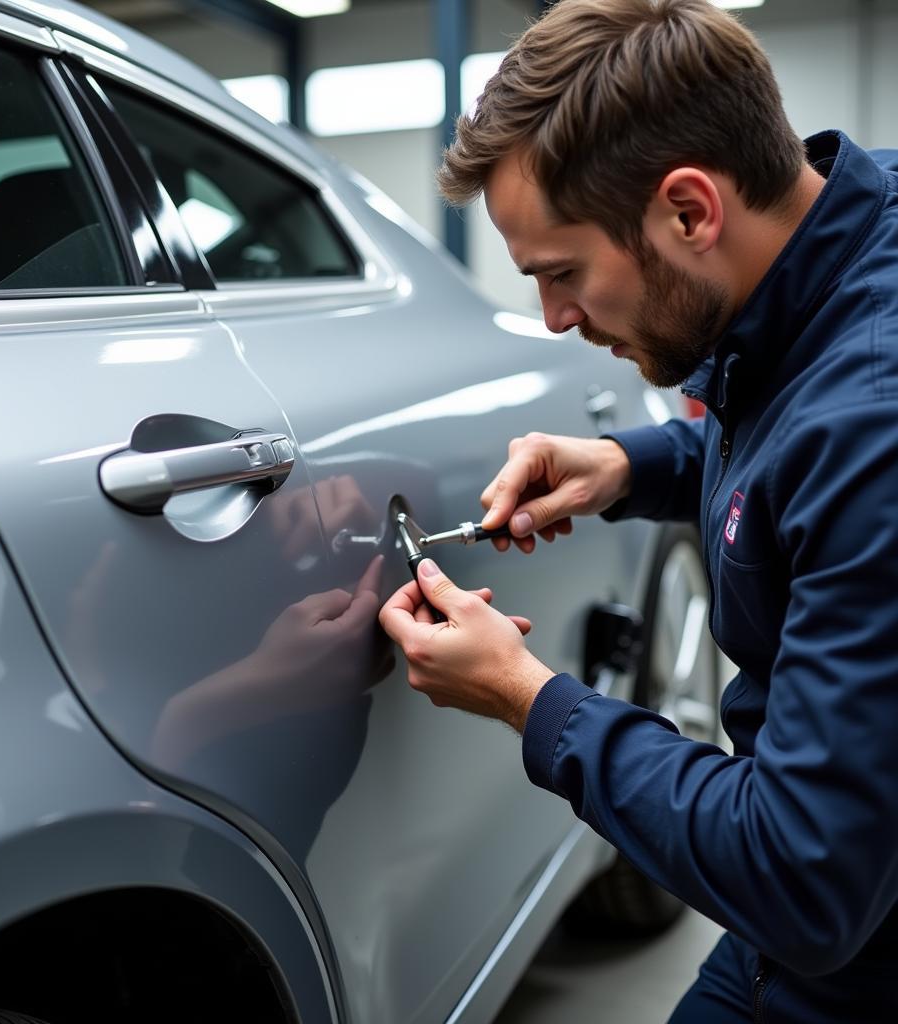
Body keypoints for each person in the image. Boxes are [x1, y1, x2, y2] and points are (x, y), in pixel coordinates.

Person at [377, 0, 898, 1020]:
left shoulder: (876, 432)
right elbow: (794, 439)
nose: (555, 320)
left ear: (690, 210)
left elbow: (801, 878)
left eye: (563, 274)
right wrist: (635, 463)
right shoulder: (839, 250)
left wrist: (531, 699)